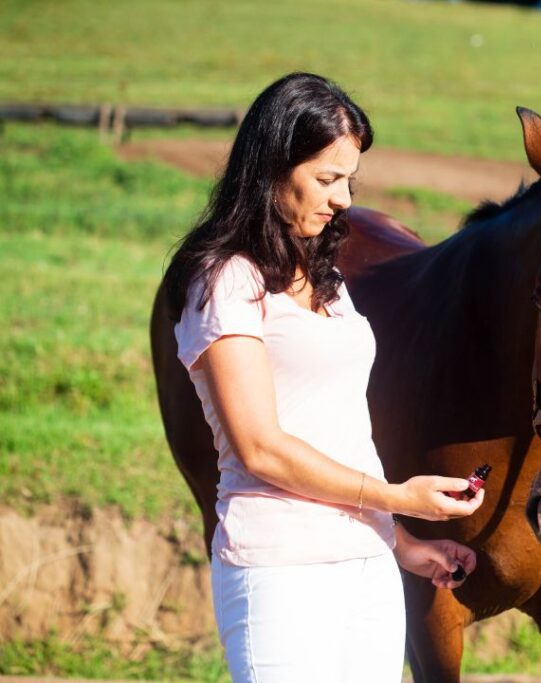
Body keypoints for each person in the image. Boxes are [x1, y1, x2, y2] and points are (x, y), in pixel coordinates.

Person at [164, 72, 483, 682]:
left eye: (350, 182)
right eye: (327, 179)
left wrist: (404, 544)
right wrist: (397, 497)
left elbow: (337, 429)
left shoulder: (327, 282)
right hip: (280, 570)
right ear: (272, 167)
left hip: (367, 566)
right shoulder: (226, 280)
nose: (342, 199)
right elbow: (261, 447)